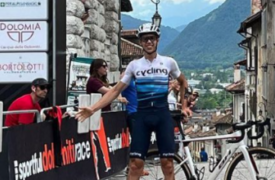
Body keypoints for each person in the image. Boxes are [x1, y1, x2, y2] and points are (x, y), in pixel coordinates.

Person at [75, 23, 191, 180]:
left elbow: (183, 82)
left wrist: (183, 106)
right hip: (142, 116)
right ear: (140, 42)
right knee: (136, 164)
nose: (148, 42)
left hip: (162, 115)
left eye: (151, 38)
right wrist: (93, 109)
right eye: (144, 39)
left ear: (157, 40)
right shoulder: (134, 65)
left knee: (168, 164)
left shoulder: (169, 62)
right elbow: (115, 90)